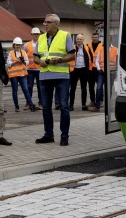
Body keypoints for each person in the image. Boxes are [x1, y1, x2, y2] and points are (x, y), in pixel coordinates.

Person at [36, 13, 76, 146]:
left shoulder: (65, 36)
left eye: (48, 22)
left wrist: (60, 59)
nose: (45, 24)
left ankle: (64, 136)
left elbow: (72, 55)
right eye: (44, 22)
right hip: (45, 76)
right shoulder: (41, 38)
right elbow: (35, 57)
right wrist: (39, 62)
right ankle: (49, 135)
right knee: (46, 107)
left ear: (57, 24)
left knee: (64, 107)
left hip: (61, 76)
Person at [7, 37, 37, 112]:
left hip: (22, 74)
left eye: (19, 45)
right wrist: (15, 62)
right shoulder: (11, 53)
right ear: (14, 45)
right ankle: (16, 106)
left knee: (26, 90)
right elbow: (8, 64)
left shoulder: (23, 52)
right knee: (15, 91)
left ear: (21, 46)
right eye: (16, 45)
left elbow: (27, 62)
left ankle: (31, 105)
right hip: (13, 75)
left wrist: (23, 61)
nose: (18, 46)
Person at [69, 33, 92, 111]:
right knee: (72, 88)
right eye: (78, 39)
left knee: (84, 88)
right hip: (74, 70)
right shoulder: (72, 48)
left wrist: (89, 69)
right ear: (76, 40)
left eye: (80, 39)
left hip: (84, 69)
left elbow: (91, 58)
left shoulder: (87, 48)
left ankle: (84, 105)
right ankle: (71, 105)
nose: (79, 40)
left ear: (83, 40)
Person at [88, 32, 104, 112]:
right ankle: (92, 100)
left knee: (99, 87)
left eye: (96, 37)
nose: (94, 38)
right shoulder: (88, 45)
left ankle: (100, 100)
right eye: (93, 37)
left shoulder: (102, 46)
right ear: (91, 37)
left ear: (98, 38)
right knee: (91, 86)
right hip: (91, 69)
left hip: (99, 69)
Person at [26, 27, 41, 107]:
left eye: (37, 34)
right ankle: (29, 102)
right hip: (30, 69)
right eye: (34, 34)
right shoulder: (27, 45)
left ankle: (41, 102)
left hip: (39, 69)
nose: (36, 36)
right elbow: (24, 55)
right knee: (29, 86)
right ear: (31, 34)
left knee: (40, 87)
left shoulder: (42, 44)